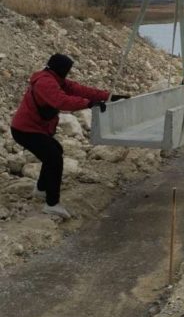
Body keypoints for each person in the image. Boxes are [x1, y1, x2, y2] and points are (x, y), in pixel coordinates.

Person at [11, 53, 111, 219]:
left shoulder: (56, 79)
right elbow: (61, 101)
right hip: (25, 130)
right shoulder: (45, 82)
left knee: (55, 150)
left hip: (35, 128)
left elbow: (79, 90)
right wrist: (88, 104)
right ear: (61, 69)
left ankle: (41, 189)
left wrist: (107, 96)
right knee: (54, 158)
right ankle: (52, 204)